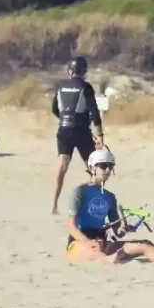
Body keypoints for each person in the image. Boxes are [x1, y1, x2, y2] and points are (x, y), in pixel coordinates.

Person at [66, 147, 154, 264]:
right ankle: (109, 260)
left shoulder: (110, 197)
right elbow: (71, 226)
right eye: (103, 166)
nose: (107, 170)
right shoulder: (80, 191)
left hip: (102, 242)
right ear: (92, 167)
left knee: (144, 244)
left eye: (110, 166)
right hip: (79, 244)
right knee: (95, 251)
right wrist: (88, 242)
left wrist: (124, 229)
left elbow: (117, 232)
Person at [51, 56, 105, 214]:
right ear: (84, 71)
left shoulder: (61, 86)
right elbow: (94, 111)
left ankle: (53, 205)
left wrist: (65, 119)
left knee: (62, 166)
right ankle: (92, 203)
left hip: (63, 131)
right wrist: (100, 134)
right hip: (81, 131)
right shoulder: (85, 87)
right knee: (94, 166)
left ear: (69, 71)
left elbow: (55, 109)